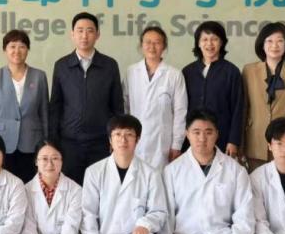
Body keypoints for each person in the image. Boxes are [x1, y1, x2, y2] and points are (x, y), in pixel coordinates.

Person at [160, 109, 253, 234]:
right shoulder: (173, 171)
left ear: (217, 134)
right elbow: (167, 219)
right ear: (187, 134)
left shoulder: (234, 170)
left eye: (208, 132)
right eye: (196, 132)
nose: (202, 138)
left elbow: (244, 213)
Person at [49, 12, 124, 184]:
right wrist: (53, 141)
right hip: (69, 144)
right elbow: (56, 106)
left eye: (90, 31)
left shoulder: (109, 65)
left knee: (100, 189)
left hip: (100, 143)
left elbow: (117, 107)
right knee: (70, 189)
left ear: (97, 35)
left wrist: (115, 139)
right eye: (80, 30)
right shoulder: (62, 65)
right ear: (72, 34)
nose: (84, 35)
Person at [242, 22, 285, 170]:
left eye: (280, 41)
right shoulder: (249, 71)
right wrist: (239, 145)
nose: (275, 45)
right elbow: (244, 110)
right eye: (269, 41)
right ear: (262, 45)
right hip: (255, 143)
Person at [0, 29, 49, 183]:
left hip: (32, 142)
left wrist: (46, 142)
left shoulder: (39, 76)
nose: (17, 51)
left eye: (22, 46)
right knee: (4, 185)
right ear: (5, 49)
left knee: (30, 186)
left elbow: (44, 113)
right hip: (2, 143)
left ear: (28, 50)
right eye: (12, 46)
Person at [123, 26, 187, 170]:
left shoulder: (174, 75)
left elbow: (180, 112)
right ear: (141, 45)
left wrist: (176, 144)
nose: (152, 47)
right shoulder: (131, 72)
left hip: (162, 144)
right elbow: (125, 106)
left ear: (164, 46)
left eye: (157, 42)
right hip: (135, 141)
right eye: (148, 42)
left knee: (161, 180)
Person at [181, 21, 244, 159]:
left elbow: (238, 109)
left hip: (222, 138)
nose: (209, 44)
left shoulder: (231, 72)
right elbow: (180, 108)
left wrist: (233, 141)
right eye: (204, 39)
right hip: (192, 139)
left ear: (222, 43)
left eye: (214, 39)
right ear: (198, 43)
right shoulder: (187, 72)